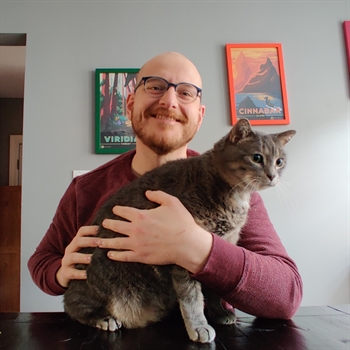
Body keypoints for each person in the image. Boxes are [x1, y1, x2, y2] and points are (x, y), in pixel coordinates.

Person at [28, 52, 302, 319]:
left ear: (200, 115)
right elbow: (40, 262)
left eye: (185, 93)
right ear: (130, 104)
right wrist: (59, 271)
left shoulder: (238, 186)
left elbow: (286, 296)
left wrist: (197, 248)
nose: (169, 101)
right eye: (156, 86)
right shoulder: (85, 188)